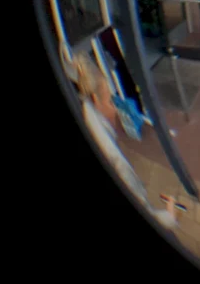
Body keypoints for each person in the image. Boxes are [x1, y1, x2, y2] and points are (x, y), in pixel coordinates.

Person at [69, 51, 179, 231]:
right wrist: (169, 216)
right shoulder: (113, 160)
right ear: (95, 101)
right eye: (111, 101)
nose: (115, 110)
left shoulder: (95, 130)